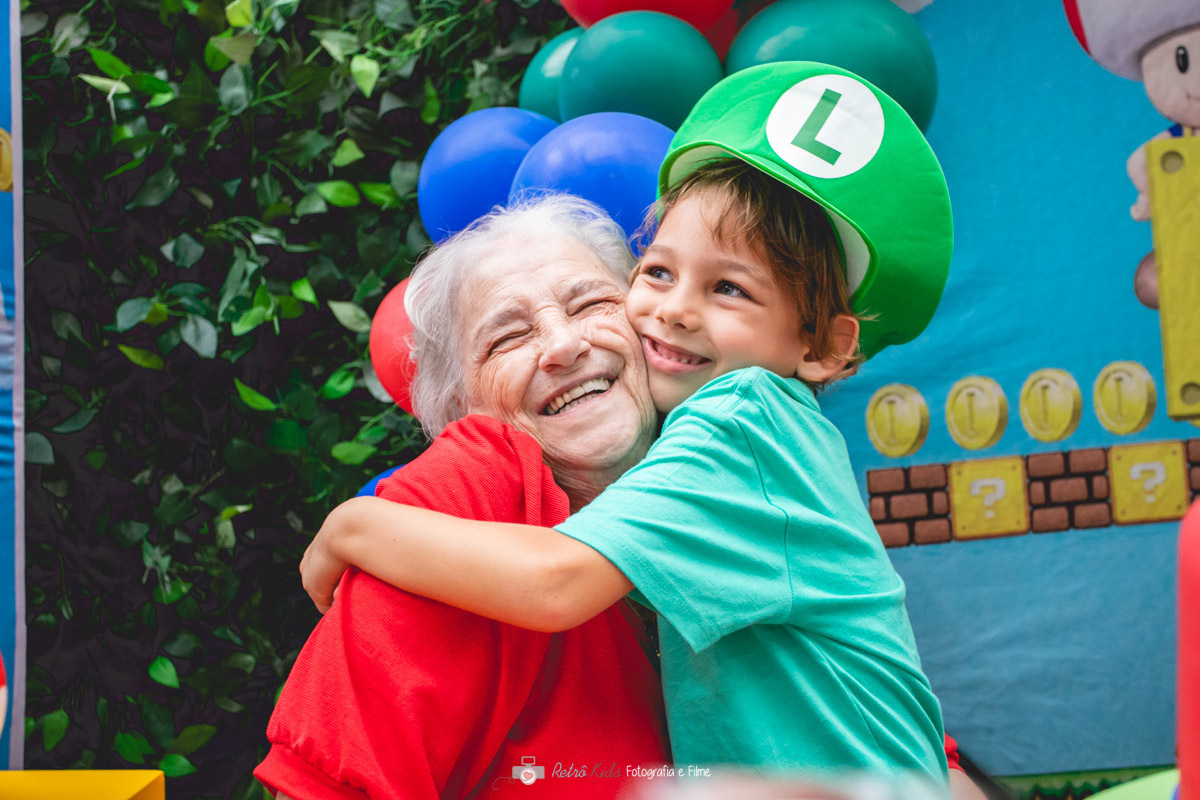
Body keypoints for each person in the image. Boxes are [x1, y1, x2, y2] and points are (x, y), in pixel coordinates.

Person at [299, 62, 955, 782]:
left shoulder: (743, 423)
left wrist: (353, 526)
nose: (674, 310)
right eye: (659, 272)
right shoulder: (746, 438)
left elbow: (557, 582)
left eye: (729, 288)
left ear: (823, 346)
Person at [255, 194, 670, 799]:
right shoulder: (460, 491)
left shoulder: (721, 458)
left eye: (591, 304)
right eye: (507, 338)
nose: (562, 345)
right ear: (458, 411)